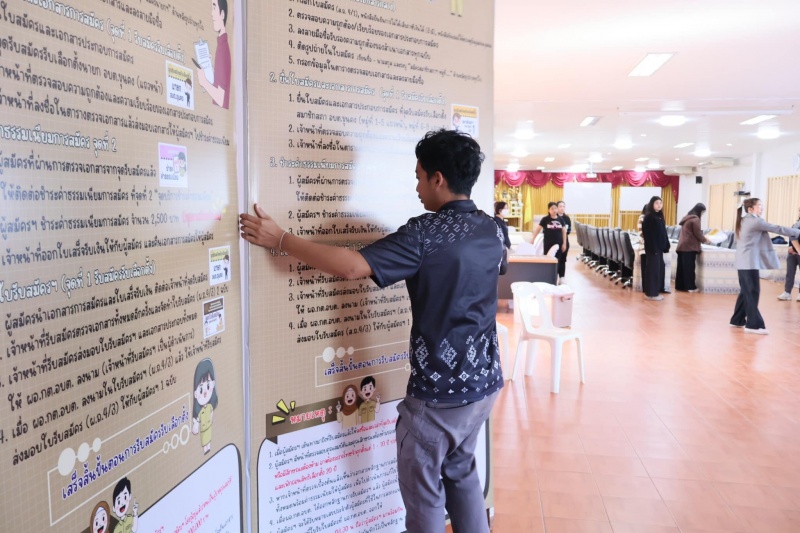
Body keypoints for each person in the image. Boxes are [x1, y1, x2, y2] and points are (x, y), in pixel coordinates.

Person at [240, 129, 503, 533]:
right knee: (462, 472)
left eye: (419, 177)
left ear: (438, 179)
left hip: (438, 398)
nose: (417, 187)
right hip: (483, 386)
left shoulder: (425, 234)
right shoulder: (494, 229)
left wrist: (281, 239)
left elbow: (352, 267)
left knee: (425, 499)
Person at [730, 198, 800, 334]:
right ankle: (753, 325)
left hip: (744, 262)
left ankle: (737, 320)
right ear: (750, 209)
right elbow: (777, 228)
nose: (762, 208)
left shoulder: (744, 220)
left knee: (746, 291)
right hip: (749, 262)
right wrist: (798, 232)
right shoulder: (756, 221)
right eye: (759, 206)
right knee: (752, 292)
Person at [198, 0, 231, 109]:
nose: (212, 13)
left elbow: (221, 99)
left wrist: (204, 82)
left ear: (222, 14)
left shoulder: (223, 49)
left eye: (214, 8)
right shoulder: (222, 46)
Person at [675, 203, 710, 292]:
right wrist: (705, 240)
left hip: (682, 245)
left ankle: (680, 286)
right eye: (702, 212)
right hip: (689, 246)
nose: (702, 214)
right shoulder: (695, 219)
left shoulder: (687, 218)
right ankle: (690, 287)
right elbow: (697, 233)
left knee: (681, 268)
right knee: (689, 268)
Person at [641, 196, 669, 300]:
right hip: (653, 249)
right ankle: (651, 294)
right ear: (652, 204)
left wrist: (666, 245)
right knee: (653, 270)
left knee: (658, 270)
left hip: (659, 248)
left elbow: (663, 232)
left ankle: (655, 292)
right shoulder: (649, 217)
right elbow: (648, 235)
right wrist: (653, 248)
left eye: (660, 203)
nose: (659, 205)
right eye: (656, 203)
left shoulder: (659, 216)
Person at [531, 202, 567, 279]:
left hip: (559, 244)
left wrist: (564, 243)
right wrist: (533, 239)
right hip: (548, 244)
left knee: (557, 260)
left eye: (555, 208)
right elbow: (538, 229)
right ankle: (547, 276)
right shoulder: (545, 219)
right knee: (548, 259)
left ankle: (555, 277)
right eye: (552, 209)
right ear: (549, 210)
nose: (554, 210)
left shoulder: (560, 219)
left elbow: (564, 232)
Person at [777, 206, 800, 301]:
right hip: (793, 253)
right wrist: (790, 247)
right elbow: (792, 237)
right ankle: (787, 292)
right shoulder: (796, 224)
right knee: (790, 273)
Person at [557, 200, 572, 278]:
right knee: (555, 259)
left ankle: (562, 277)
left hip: (564, 241)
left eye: (563, 206)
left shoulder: (567, 218)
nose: (562, 208)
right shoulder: (554, 217)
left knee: (563, 260)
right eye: (560, 206)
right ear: (557, 207)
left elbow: (568, 231)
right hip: (555, 241)